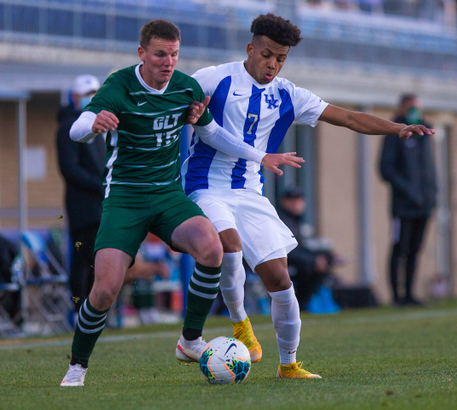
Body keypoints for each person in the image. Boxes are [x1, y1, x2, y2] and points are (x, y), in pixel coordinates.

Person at [181, 14, 434, 379]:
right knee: (229, 246)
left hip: (250, 193)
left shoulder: (288, 94)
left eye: (280, 58)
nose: (273, 64)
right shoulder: (213, 78)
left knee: (281, 279)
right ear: (250, 48)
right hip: (205, 187)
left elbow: (347, 117)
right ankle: (240, 325)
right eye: (267, 54)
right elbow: (173, 103)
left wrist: (396, 128)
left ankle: (289, 364)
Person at [59, 19, 302, 387]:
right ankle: (77, 365)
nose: (168, 61)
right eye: (160, 54)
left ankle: (189, 341)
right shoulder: (119, 84)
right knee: (105, 288)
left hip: (168, 195)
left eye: (174, 54)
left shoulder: (186, 88)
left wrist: (260, 156)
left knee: (212, 247)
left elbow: (214, 133)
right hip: (125, 197)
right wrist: (92, 124)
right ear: (142, 54)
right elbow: (80, 125)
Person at [379, 94, 437, 307]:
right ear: (402, 108)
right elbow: (386, 169)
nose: (416, 111)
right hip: (403, 207)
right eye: (412, 107)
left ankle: (410, 294)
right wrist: (409, 191)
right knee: (399, 248)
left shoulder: (425, 134)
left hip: (425, 204)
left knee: (415, 250)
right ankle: (397, 296)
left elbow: (429, 170)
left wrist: (432, 195)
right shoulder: (394, 134)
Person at [56, 74, 105, 318]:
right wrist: (99, 185)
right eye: (87, 94)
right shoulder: (68, 128)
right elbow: (70, 169)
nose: (91, 99)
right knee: (83, 259)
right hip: (83, 208)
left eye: (95, 93)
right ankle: (79, 310)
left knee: (99, 260)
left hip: (101, 205)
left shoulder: (98, 126)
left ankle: (94, 311)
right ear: (74, 97)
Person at [277, 187, 342, 310]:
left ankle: (308, 302)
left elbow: (301, 248)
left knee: (325, 259)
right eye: (291, 200)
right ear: (283, 202)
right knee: (314, 267)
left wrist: (328, 255)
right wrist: (314, 261)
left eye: (298, 200)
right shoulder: (282, 221)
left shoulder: (295, 221)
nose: (296, 204)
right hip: (283, 264)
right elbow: (287, 250)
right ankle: (303, 303)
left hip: (294, 261)